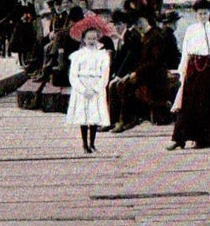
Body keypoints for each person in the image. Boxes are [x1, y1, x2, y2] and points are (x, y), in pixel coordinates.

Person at [168, 0, 210, 151]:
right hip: (194, 67)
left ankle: (204, 139)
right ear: (196, 15)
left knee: (208, 102)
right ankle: (179, 138)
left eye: (205, 13)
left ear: (209, 13)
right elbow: (185, 50)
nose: (203, 16)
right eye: (200, 14)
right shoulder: (191, 30)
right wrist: (182, 70)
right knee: (188, 101)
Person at [109, 13, 172, 132]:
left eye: (140, 21)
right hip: (146, 73)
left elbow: (155, 61)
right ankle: (125, 119)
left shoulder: (155, 36)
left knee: (127, 85)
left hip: (155, 75)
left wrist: (137, 73)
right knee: (124, 83)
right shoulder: (145, 36)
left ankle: (127, 120)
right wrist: (133, 72)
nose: (138, 25)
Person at [65, 19, 113, 154]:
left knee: (94, 116)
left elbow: (105, 74)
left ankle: (92, 143)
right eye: (88, 38)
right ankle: (84, 144)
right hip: (83, 86)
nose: (91, 41)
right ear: (84, 40)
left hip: (96, 85)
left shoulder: (103, 55)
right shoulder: (78, 56)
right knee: (83, 116)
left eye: (94, 38)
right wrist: (82, 89)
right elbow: (73, 75)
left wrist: (96, 88)